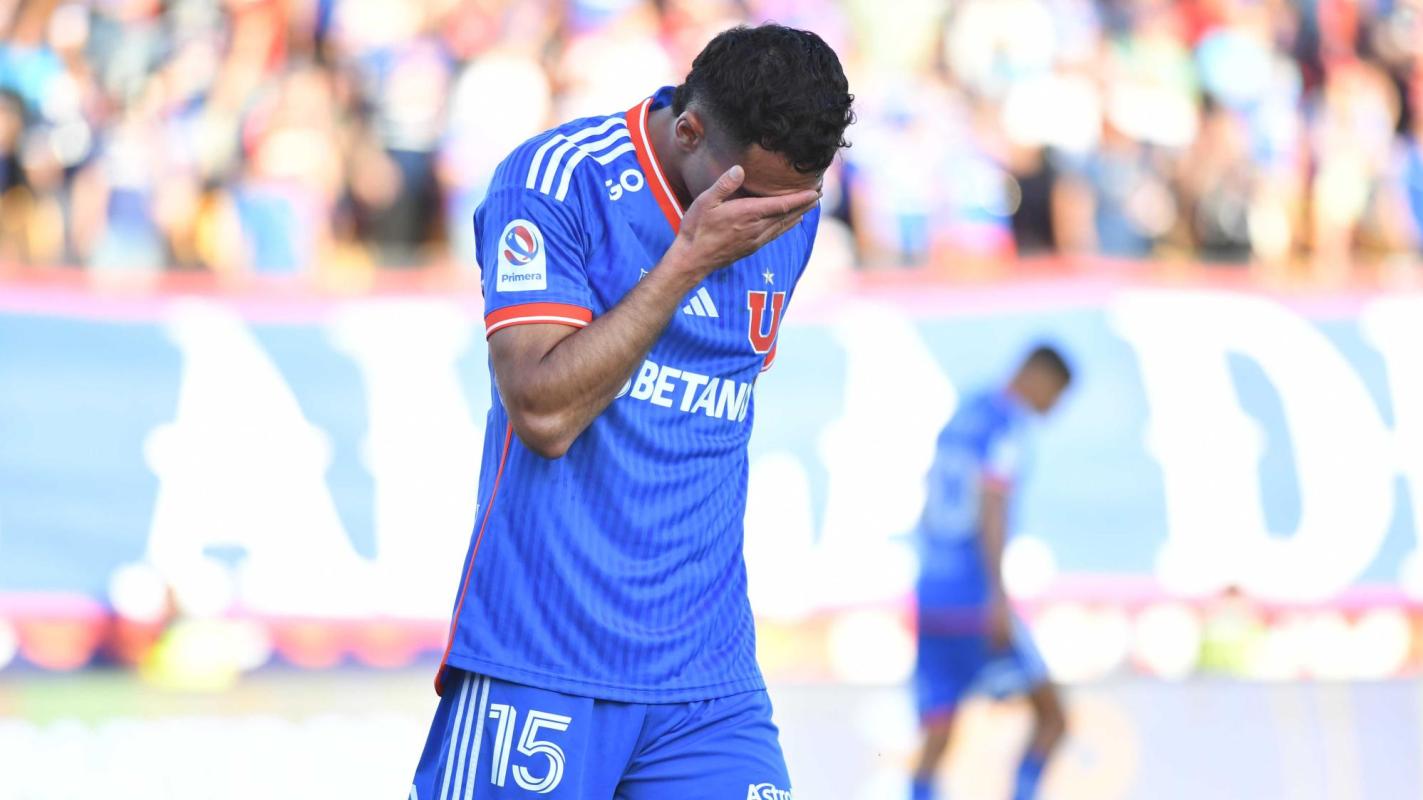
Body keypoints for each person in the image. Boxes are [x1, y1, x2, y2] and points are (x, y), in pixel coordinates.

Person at [410, 24, 853, 800]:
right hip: (544, 657)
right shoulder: (554, 182)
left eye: (797, 198)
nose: (769, 222)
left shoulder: (788, 209)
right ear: (689, 132)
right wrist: (685, 263)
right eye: (752, 199)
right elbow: (543, 416)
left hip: (707, 678)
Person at [910, 345, 1074, 800]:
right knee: (1052, 718)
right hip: (974, 597)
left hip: (932, 593)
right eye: (1056, 395)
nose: (1052, 408)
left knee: (939, 729)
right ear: (1039, 377)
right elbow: (992, 503)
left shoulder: (964, 413)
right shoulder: (1005, 426)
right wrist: (998, 596)